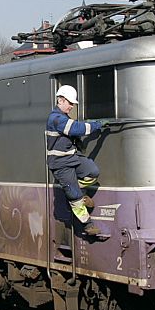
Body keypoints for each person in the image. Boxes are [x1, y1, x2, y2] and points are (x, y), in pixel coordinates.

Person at [46, 85, 105, 237]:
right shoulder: (56, 118)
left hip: (72, 158)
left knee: (93, 172)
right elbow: (76, 128)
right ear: (60, 100)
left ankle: (79, 192)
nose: (72, 106)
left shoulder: (64, 118)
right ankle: (87, 224)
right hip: (60, 164)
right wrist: (97, 124)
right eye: (70, 102)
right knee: (75, 197)